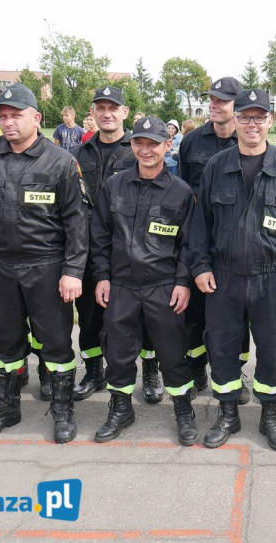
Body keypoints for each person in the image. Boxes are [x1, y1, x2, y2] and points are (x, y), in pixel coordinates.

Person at [0, 84, 89, 443]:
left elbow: (77, 223)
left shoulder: (61, 162)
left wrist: (73, 271)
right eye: (2, 116)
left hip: (46, 266)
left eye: (16, 115)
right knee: (2, 341)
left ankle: (63, 408)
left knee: (56, 342)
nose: (8, 122)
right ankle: (6, 405)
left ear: (36, 118)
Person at [189, 89, 276, 451]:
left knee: (272, 351)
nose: (252, 124)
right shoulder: (217, 166)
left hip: (273, 277)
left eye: (259, 117)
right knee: (222, 349)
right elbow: (200, 224)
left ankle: (269, 416)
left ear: (270, 120)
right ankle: (228, 414)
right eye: (245, 116)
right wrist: (200, 266)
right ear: (234, 120)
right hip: (224, 276)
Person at [90, 116, 197, 444]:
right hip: (121, 284)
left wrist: (182, 282)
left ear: (168, 146)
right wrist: (101, 276)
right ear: (132, 145)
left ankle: (183, 409)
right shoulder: (114, 186)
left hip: (163, 285)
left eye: (154, 144)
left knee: (173, 352)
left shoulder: (181, 192)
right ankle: (121, 408)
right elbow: (100, 234)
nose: (146, 150)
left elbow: (189, 244)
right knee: (118, 353)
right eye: (140, 143)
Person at [72, 87, 164, 405]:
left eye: (114, 107)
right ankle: (94, 371)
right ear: (93, 112)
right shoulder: (80, 154)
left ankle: (150, 372)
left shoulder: (139, 149)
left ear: (125, 112)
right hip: (90, 250)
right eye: (101, 107)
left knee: (146, 317)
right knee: (89, 317)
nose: (107, 113)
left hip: (134, 250)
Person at [179, 77, 244, 399]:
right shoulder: (192, 141)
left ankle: (235, 371)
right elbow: (181, 190)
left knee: (235, 315)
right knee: (195, 312)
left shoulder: (246, 140)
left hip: (235, 244)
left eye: (223, 100)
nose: (214, 105)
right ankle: (196, 367)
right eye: (212, 99)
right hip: (198, 239)